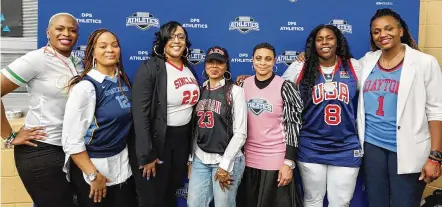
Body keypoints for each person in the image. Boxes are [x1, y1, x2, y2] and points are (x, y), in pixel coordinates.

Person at [357, 8, 442, 207]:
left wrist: (436, 157)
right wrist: (303, 59)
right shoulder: (367, 61)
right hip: (372, 147)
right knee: (376, 203)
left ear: (401, 30)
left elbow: (436, 110)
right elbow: (339, 68)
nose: (382, 35)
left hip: (408, 149)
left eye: (389, 29)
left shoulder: (424, 62)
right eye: (376, 31)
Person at [0, 13, 81, 207]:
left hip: (69, 149)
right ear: (48, 32)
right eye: (59, 29)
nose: (66, 34)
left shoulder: (78, 63)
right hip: (40, 150)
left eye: (72, 30)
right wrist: (9, 136)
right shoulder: (36, 59)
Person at [282, 24, 362, 207]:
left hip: (346, 146)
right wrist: (252, 79)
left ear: (338, 41)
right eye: (319, 39)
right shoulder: (300, 66)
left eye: (329, 38)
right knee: (312, 200)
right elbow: (278, 90)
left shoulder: (354, 66)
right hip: (311, 144)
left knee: (341, 202)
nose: (325, 42)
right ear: (313, 44)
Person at [62, 28, 138, 207]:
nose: (110, 50)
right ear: (92, 52)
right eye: (103, 46)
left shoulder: (123, 81)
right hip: (94, 168)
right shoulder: (86, 88)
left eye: (114, 45)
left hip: (122, 165)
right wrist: (92, 175)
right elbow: (71, 140)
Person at [131, 21, 200, 207]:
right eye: (171, 36)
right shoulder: (151, 67)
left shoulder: (188, 68)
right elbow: (140, 114)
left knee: (170, 194)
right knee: (153, 198)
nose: (176, 41)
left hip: (180, 142)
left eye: (181, 36)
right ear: (162, 41)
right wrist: (146, 154)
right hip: (158, 141)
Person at [237, 43, 304, 207]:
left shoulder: (285, 87)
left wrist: (288, 163)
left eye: (268, 59)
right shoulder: (242, 85)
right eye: (258, 58)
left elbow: (294, 125)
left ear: (275, 61)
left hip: (276, 160)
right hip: (248, 160)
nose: (262, 63)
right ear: (252, 61)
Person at [187, 46, 247, 207]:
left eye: (219, 62)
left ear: (226, 66)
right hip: (201, 158)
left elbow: (241, 133)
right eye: (210, 62)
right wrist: (191, 159)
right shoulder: (199, 91)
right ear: (205, 65)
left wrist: (225, 165)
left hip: (227, 159)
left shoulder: (234, 91)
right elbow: (195, 128)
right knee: (194, 204)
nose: (214, 66)